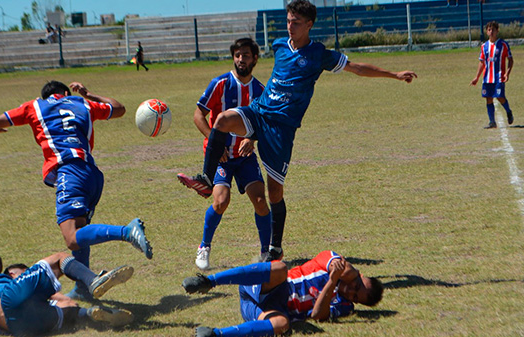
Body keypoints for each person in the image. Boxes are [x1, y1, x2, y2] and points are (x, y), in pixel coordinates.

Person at [177, 0, 417, 262]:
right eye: (289, 20)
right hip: (258, 112)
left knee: (274, 193)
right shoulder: (280, 45)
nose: (290, 26)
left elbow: (357, 68)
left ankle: (275, 247)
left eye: (296, 22)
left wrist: (394, 74)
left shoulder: (318, 54)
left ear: (309, 25)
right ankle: (207, 179)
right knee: (222, 120)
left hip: (281, 129)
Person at [0, 81, 153, 300]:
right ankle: (83, 288)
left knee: (72, 238)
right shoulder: (83, 103)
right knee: (80, 229)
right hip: (92, 174)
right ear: (64, 93)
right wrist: (90, 94)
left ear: (45, 96)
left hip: (69, 172)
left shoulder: (35, 106)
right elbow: (118, 108)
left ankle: (127, 232)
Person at [178, 38, 271, 270]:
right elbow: (198, 115)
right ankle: (204, 247)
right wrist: (214, 143)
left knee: (260, 202)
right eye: (238, 55)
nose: (241, 59)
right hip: (221, 156)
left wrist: (251, 138)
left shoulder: (260, 90)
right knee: (220, 201)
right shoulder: (220, 83)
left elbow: (264, 123)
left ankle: (265, 252)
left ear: (255, 59)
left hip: (245, 156)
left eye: (246, 55)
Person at [182, 250, 383, 337]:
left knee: (283, 324)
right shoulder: (333, 263)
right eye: (356, 285)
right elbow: (344, 269)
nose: (350, 292)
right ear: (358, 274)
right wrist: (347, 274)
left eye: (356, 297)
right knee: (280, 268)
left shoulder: (345, 306)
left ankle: (216, 334)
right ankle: (208, 281)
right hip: (260, 285)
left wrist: (332, 283)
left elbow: (317, 315)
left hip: (261, 310)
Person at [0, 229, 135, 336]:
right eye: (26, 272)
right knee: (59, 259)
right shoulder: (4, 280)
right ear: (13, 274)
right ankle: (93, 280)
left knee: (64, 315)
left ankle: (89, 314)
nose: (28, 274)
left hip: (16, 329)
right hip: (10, 300)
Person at [470, 21, 514, 129]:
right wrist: (477, 77)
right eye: (489, 30)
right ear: (486, 31)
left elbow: (510, 60)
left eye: (493, 29)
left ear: (497, 30)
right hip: (487, 77)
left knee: (499, 96)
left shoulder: (503, 44)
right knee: (488, 98)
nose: (491, 32)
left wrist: (507, 73)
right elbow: (482, 62)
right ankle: (492, 122)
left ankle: (508, 111)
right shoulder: (484, 46)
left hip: (499, 76)